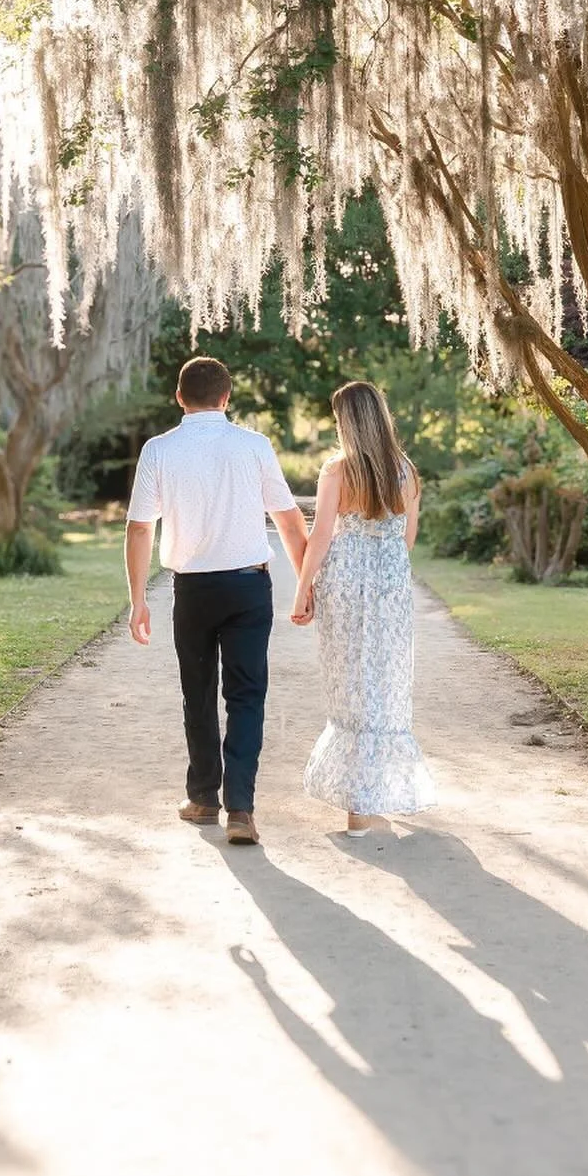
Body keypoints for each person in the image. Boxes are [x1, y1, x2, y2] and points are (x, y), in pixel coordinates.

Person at [126, 356, 309, 845]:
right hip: (250, 586)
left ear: (180, 397)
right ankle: (242, 811)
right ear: (227, 398)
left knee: (199, 693)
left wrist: (138, 598)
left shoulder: (159, 450)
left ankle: (205, 797)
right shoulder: (253, 446)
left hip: (193, 590)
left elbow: (141, 526)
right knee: (247, 696)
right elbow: (289, 520)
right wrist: (308, 580)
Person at [290, 380, 436, 834]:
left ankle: (359, 805)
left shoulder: (338, 470)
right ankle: (374, 794)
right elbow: (407, 540)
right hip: (390, 582)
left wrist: (302, 590)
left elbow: (319, 538)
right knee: (385, 682)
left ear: (347, 422)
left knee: (351, 681)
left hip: (346, 581)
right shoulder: (407, 471)